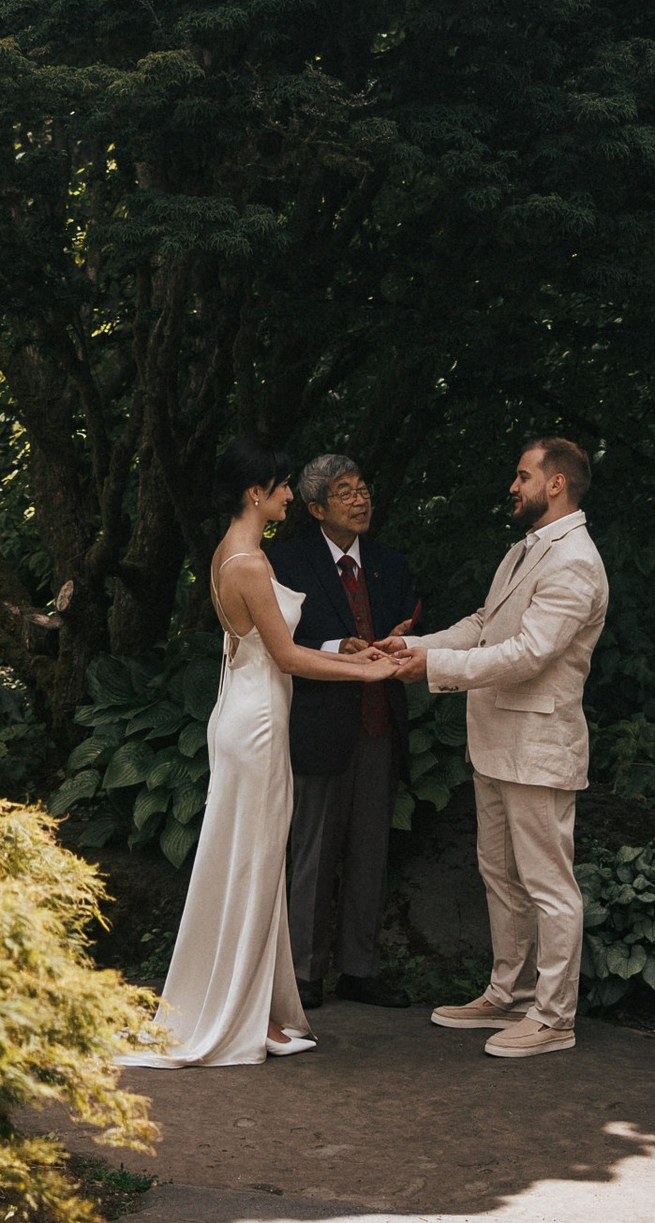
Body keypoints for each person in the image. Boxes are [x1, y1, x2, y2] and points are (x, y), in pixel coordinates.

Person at [144, 437, 391, 1068]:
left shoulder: (233, 550)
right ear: (258, 492)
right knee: (254, 866)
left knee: (256, 863)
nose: (290, 493)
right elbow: (283, 655)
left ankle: (268, 1009)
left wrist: (341, 651)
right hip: (255, 722)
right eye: (282, 484)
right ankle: (246, 1014)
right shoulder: (250, 563)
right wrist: (367, 675)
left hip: (248, 710)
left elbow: (270, 646)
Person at [383, 437, 609, 1061]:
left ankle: (555, 1016)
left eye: (522, 475)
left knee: (548, 884)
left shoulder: (575, 562)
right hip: (496, 739)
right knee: (500, 874)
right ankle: (509, 993)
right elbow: (485, 625)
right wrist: (412, 647)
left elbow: (529, 655)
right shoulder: (522, 550)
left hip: (539, 744)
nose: (512, 486)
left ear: (556, 484)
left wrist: (433, 668)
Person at [271, 450, 418, 1008]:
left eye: (363, 488)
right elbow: (274, 643)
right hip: (319, 723)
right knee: (312, 849)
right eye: (345, 491)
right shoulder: (286, 564)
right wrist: (338, 648)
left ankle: (359, 969)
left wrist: (407, 633)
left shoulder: (390, 563)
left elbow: (411, 620)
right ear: (315, 507)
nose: (360, 499)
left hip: (379, 724)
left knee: (370, 849)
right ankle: (304, 973)